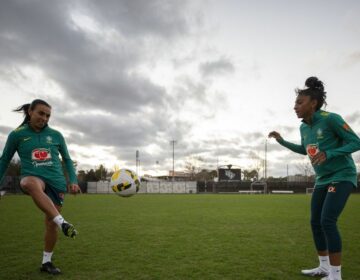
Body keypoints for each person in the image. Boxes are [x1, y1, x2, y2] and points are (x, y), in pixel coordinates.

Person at [268, 77, 360, 280]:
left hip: (342, 175)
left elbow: (356, 142)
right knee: (315, 222)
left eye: (300, 103)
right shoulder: (303, 128)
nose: (295, 107)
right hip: (322, 178)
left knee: (327, 221)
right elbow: (305, 150)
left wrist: (331, 153)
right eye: (294, 103)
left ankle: (336, 276)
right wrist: (282, 141)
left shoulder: (330, 119)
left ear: (313, 103)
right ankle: (324, 267)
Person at [0, 99, 80, 275]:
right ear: (30, 112)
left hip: (56, 182)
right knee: (28, 183)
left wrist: (73, 180)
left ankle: (47, 262)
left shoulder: (56, 135)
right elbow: (4, 160)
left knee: (50, 224)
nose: (44, 118)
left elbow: (66, 159)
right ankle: (63, 222)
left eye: (48, 115)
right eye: (41, 113)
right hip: (34, 177)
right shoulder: (17, 135)